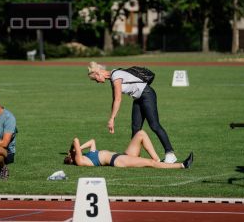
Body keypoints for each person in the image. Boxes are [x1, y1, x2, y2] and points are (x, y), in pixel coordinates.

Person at [88, 61, 177, 163]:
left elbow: (118, 99)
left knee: (154, 125)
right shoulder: (113, 79)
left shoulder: (115, 76)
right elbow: (114, 101)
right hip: (139, 99)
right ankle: (134, 157)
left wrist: (112, 119)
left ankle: (170, 154)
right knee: (135, 128)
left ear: (98, 74)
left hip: (147, 95)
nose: (98, 82)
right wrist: (112, 117)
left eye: (96, 80)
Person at [64, 130, 193, 169]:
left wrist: (75, 150)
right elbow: (75, 139)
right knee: (149, 163)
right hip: (118, 161)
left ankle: (159, 160)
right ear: (73, 158)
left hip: (122, 155)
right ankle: (182, 165)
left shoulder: (87, 155)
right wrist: (72, 149)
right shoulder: (80, 160)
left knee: (141, 134)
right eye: (73, 154)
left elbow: (92, 141)